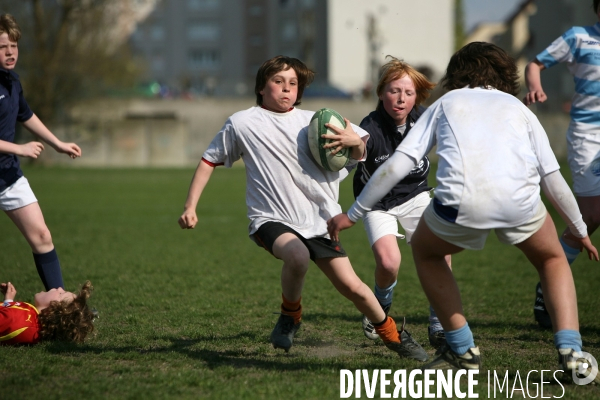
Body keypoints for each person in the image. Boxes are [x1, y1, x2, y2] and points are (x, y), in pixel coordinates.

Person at [328, 42, 599, 374]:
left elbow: (398, 164)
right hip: (521, 203)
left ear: (456, 74)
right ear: (505, 75)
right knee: (553, 258)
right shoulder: (518, 108)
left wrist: (353, 213)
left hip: (459, 204)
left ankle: (462, 348)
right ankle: (572, 354)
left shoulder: (446, 103)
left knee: (427, 253)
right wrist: (580, 230)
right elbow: (552, 177)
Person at [178, 55, 427, 360]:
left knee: (356, 289)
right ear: (261, 87)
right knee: (296, 257)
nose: (286, 89)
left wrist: (354, 141)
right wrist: (191, 206)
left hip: (320, 222)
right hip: (270, 219)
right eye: (278, 82)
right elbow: (209, 160)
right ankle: (290, 316)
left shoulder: (317, 120)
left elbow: (361, 147)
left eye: (293, 84)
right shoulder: (242, 123)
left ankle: (393, 335)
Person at [353, 56, 447, 349]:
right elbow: (349, 159)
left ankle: (440, 323)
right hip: (376, 202)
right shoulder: (369, 127)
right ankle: (381, 305)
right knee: (389, 262)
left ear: (416, 96)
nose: (401, 98)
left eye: (408, 92)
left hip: (416, 195)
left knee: (440, 254)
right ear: (381, 93)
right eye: (394, 91)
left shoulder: (426, 119)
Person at [523, 0, 600, 330]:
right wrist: (536, 85)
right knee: (591, 216)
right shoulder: (579, 37)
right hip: (589, 134)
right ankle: (549, 282)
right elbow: (535, 64)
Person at [0, 14, 82, 291]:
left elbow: (26, 114)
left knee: (42, 236)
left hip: (7, 175)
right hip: (11, 159)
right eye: (2, 47)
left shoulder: (12, 80)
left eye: (14, 46)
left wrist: (58, 144)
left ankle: (58, 303)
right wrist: (20, 148)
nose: (10, 52)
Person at [1, 280, 95, 345]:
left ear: (52, 311)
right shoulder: (32, 318)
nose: (59, 288)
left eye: (61, 294)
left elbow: (10, 320)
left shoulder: (19, 320)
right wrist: (8, 301)